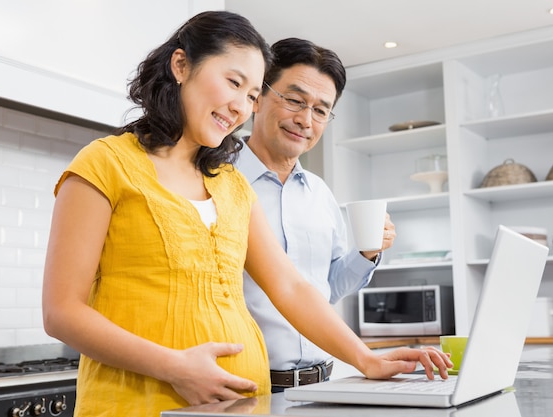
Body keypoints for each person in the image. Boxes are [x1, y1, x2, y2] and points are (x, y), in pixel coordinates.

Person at [42, 10, 452, 417]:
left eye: (252, 95)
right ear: (181, 65)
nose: (241, 106)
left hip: (243, 406)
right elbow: (61, 312)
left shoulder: (230, 185)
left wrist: (367, 359)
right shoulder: (104, 164)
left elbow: (290, 288)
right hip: (137, 404)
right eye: (233, 82)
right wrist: (176, 367)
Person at [235, 38, 396, 391]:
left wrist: (367, 254)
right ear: (258, 97)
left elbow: (326, 289)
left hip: (321, 384)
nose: (305, 120)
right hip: (248, 386)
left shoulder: (320, 194)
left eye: (321, 110)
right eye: (294, 100)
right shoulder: (218, 179)